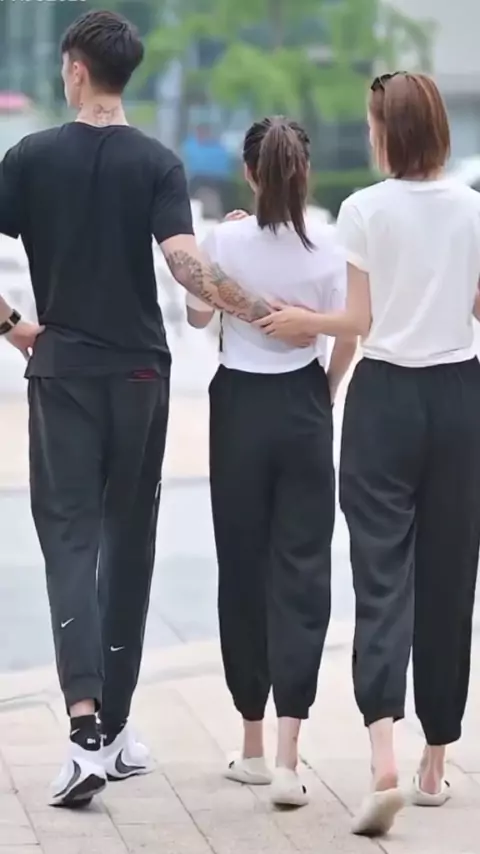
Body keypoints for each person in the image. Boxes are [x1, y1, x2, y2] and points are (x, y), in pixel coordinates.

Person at [0, 11, 290, 808]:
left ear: (74, 69)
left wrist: (15, 326)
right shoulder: (157, 163)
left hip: (62, 372)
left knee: (69, 543)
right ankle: (116, 732)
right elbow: (186, 265)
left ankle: (86, 731)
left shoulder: (31, 157)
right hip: (138, 377)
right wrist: (264, 310)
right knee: (129, 543)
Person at [255, 73, 480, 835]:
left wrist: (302, 324)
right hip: (459, 398)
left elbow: (357, 318)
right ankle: (434, 765)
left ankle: (383, 754)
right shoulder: (474, 209)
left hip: (383, 401)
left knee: (381, 577)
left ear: (390, 132)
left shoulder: (364, 209)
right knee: (450, 580)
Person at [185, 116, 357, 807]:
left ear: (249, 174)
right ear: (304, 173)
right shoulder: (331, 246)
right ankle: (289, 757)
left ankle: (251, 746)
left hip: (238, 410)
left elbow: (198, 318)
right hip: (303, 405)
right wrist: (325, 393)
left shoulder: (224, 240)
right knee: (303, 571)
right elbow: (348, 335)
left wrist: (222, 255)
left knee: (243, 567)